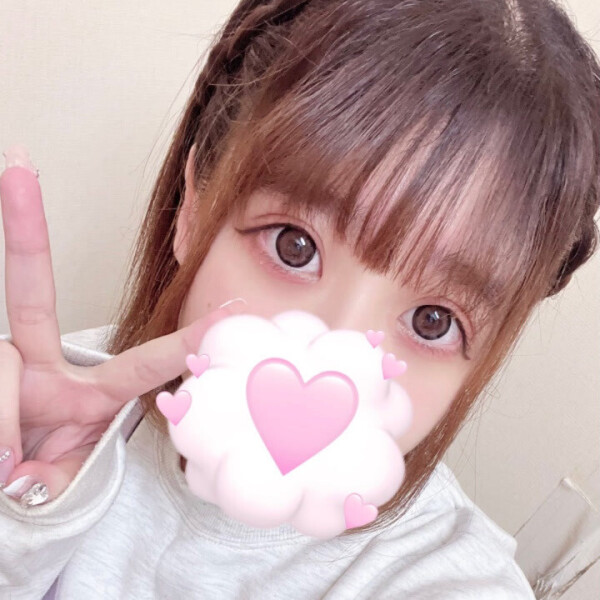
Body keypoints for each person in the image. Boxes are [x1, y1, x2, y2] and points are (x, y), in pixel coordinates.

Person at [1, 0, 599, 597]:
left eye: (433, 321)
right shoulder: (36, 412)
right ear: (193, 208)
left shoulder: (448, 579)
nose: (333, 352)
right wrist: (15, 529)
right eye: (294, 246)